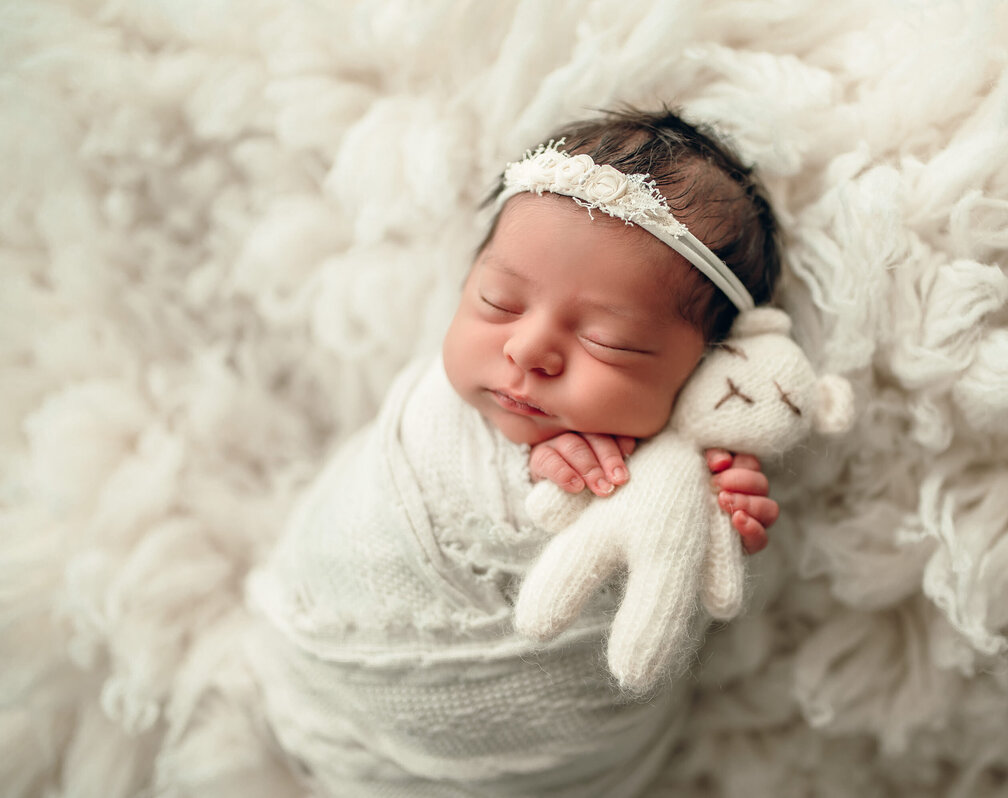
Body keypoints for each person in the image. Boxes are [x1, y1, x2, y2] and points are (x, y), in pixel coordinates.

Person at [244, 108, 787, 798]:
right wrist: (534, 484)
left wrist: (711, 515)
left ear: (708, 370)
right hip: (325, 678)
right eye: (498, 302)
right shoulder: (434, 421)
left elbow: (702, 603)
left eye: (609, 343)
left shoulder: (691, 469)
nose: (527, 350)